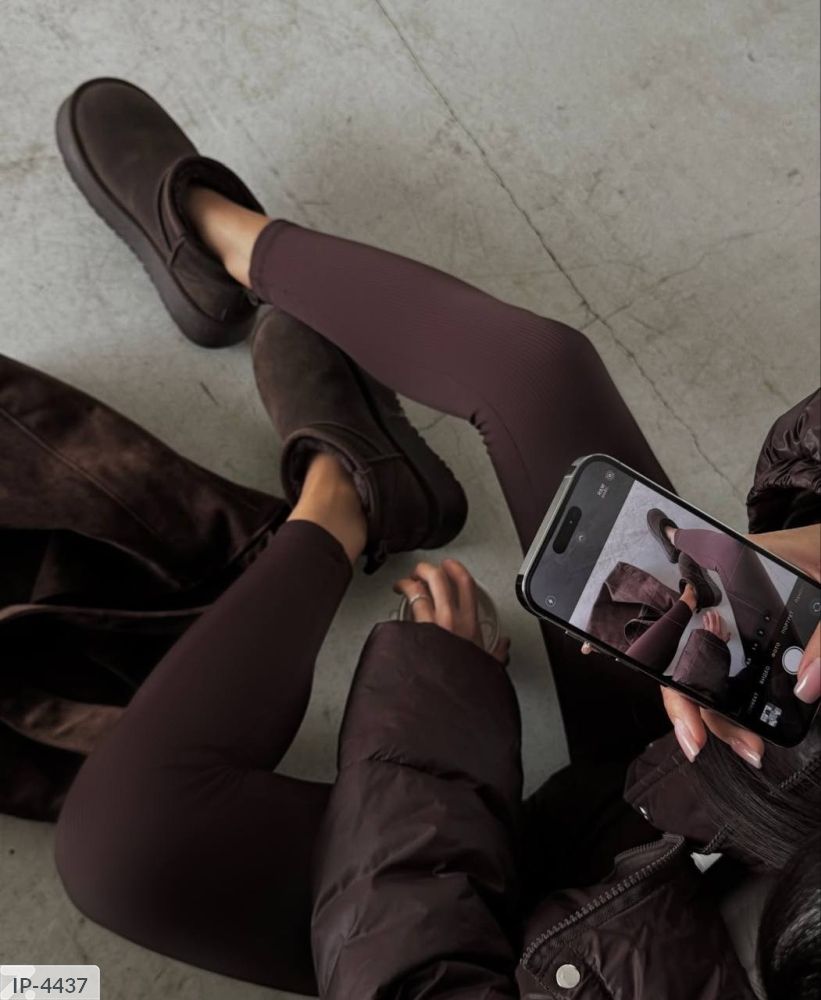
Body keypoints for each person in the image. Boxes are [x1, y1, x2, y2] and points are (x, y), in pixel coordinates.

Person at [49, 80, 821, 998]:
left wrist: (434, 719)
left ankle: (343, 498)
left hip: (532, 951)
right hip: (707, 768)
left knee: (119, 850)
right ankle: (221, 240)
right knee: (537, 371)